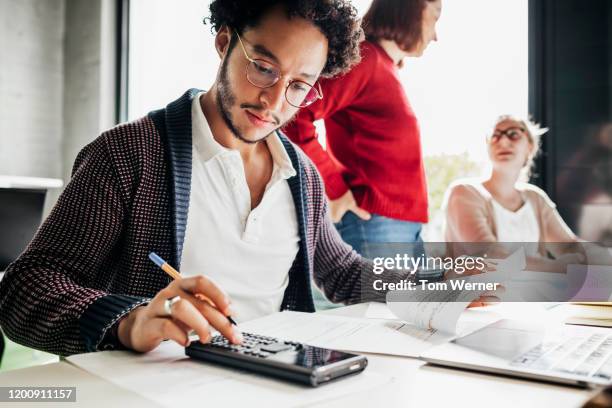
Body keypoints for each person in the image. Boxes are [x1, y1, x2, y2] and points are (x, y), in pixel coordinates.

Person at [0, 0, 425, 357]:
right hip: (153, 391)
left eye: (299, 86)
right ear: (224, 43)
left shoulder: (302, 177)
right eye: (263, 67)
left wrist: (437, 287)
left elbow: (345, 272)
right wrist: (129, 320)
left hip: (275, 386)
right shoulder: (127, 155)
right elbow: (24, 290)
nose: (274, 101)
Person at [283, 0, 442, 260]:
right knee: (381, 302)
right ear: (410, 10)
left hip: (398, 226)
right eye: (434, 18)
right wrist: (335, 189)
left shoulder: (383, 66)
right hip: (375, 224)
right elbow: (294, 115)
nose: (435, 35)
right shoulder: (365, 59)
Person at [444, 115, 584, 271]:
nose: (503, 141)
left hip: (536, 293)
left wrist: (600, 255)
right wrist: (554, 267)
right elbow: (489, 256)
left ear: (530, 146)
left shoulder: (535, 197)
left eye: (513, 134)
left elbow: (570, 245)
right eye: (495, 136)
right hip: (483, 294)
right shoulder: (464, 193)